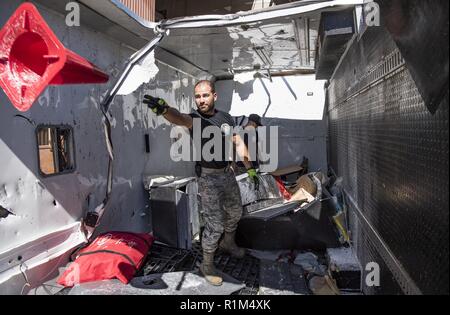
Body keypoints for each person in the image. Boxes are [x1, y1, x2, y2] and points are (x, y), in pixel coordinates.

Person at [143, 80, 259, 286]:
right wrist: (164, 110)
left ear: (214, 96)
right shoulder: (194, 119)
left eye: (205, 95)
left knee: (235, 212)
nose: (201, 100)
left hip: (228, 174)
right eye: (197, 96)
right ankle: (207, 265)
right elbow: (179, 118)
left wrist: (248, 167)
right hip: (208, 178)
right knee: (214, 224)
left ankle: (228, 243)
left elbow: (237, 141)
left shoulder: (226, 117)